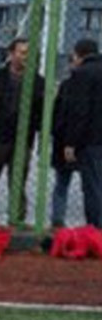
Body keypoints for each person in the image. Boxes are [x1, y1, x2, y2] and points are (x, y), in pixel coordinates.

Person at [0, 38, 45, 225]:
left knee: (18, 183)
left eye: (29, 53)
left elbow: (41, 112)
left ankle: (16, 220)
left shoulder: (37, 81)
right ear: (11, 53)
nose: (26, 57)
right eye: (22, 52)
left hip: (23, 140)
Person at [57, 38, 102, 228]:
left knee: (92, 186)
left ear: (78, 54)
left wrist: (70, 142)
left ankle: (95, 227)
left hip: (90, 139)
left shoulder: (81, 75)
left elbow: (79, 111)